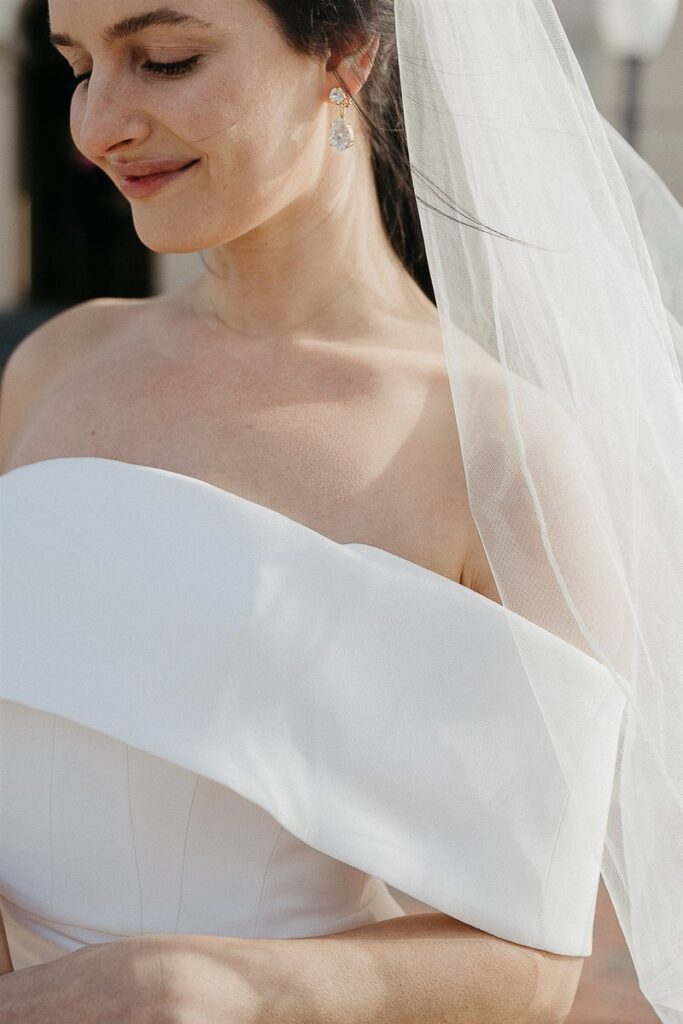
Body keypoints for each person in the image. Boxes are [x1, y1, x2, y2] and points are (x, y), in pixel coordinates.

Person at [0, 1, 680, 1022]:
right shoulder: (53, 365)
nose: (97, 125)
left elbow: (536, 958)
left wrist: (222, 986)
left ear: (345, 54)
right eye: (79, 67)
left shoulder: (496, 455)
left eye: (164, 59)